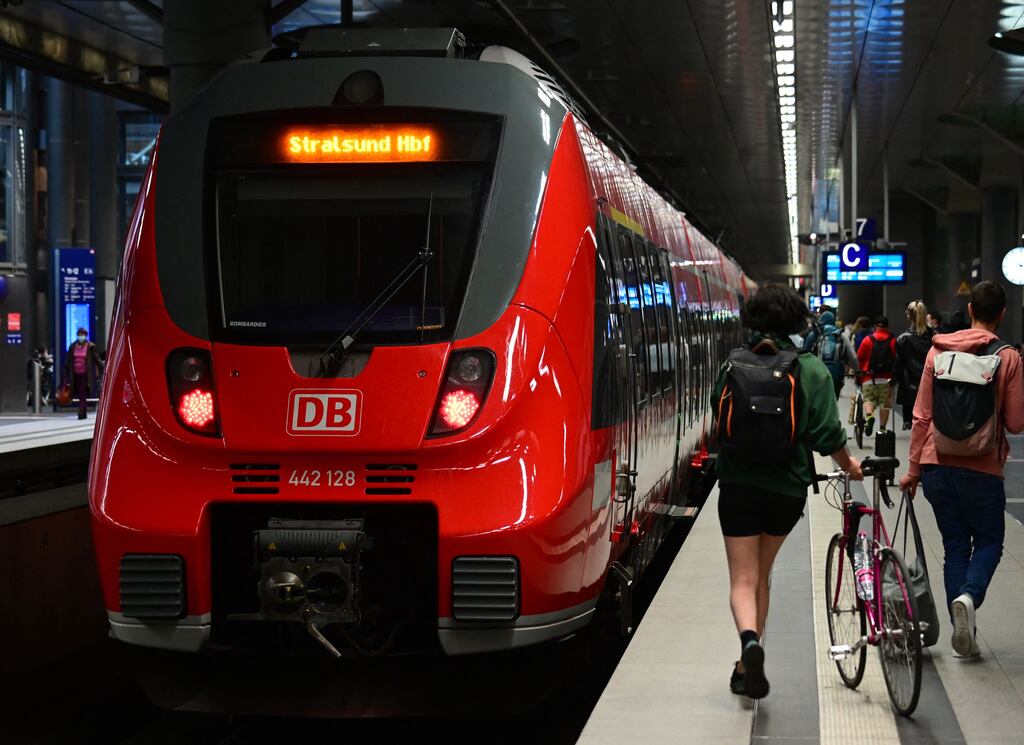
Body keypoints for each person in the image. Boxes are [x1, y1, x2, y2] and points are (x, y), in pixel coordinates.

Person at [712, 284, 863, 700]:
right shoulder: (810, 369)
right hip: (786, 489)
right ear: (796, 322)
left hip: (738, 485)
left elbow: (717, 421)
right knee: (763, 572)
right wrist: (849, 464)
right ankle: (747, 663)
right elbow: (825, 434)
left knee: (743, 577)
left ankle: (748, 645)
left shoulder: (732, 365)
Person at [900, 281, 1024, 658]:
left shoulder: (936, 353)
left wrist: (913, 471)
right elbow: (1016, 424)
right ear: (1002, 314)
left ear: (969, 309)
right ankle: (969, 598)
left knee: (955, 547)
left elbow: (922, 416)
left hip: (937, 466)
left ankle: (962, 632)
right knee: (988, 541)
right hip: (983, 469)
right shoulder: (1008, 358)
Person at [893, 300, 933, 430]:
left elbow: (898, 365)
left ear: (909, 315)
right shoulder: (935, 337)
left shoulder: (903, 339)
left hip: (909, 390)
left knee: (915, 426)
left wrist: (893, 381)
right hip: (931, 386)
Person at [803, 309, 857, 398]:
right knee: (833, 399)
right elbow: (853, 356)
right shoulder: (840, 334)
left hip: (817, 374)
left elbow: (804, 354)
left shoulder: (814, 334)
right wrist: (857, 371)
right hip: (837, 374)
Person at [856, 316, 896, 436]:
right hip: (886, 379)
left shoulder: (868, 340)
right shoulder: (892, 340)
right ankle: (882, 429)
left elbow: (859, 357)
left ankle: (869, 417)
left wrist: (859, 372)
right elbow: (896, 358)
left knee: (868, 399)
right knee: (885, 404)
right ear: (887, 327)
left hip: (869, 377)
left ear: (875, 326)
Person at [63, 327, 103, 420]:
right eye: (80, 334)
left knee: (83, 392)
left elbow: (97, 360)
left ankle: (81, 411)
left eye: (83, 335)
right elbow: (68, 360)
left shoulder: (90, 346)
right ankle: (83, 410)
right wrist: (65, 372)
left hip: (85, 374)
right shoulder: (73, 346)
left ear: (86, 336)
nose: (81, 336)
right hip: (75, 373)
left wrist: (103, 370)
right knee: (79, 393)